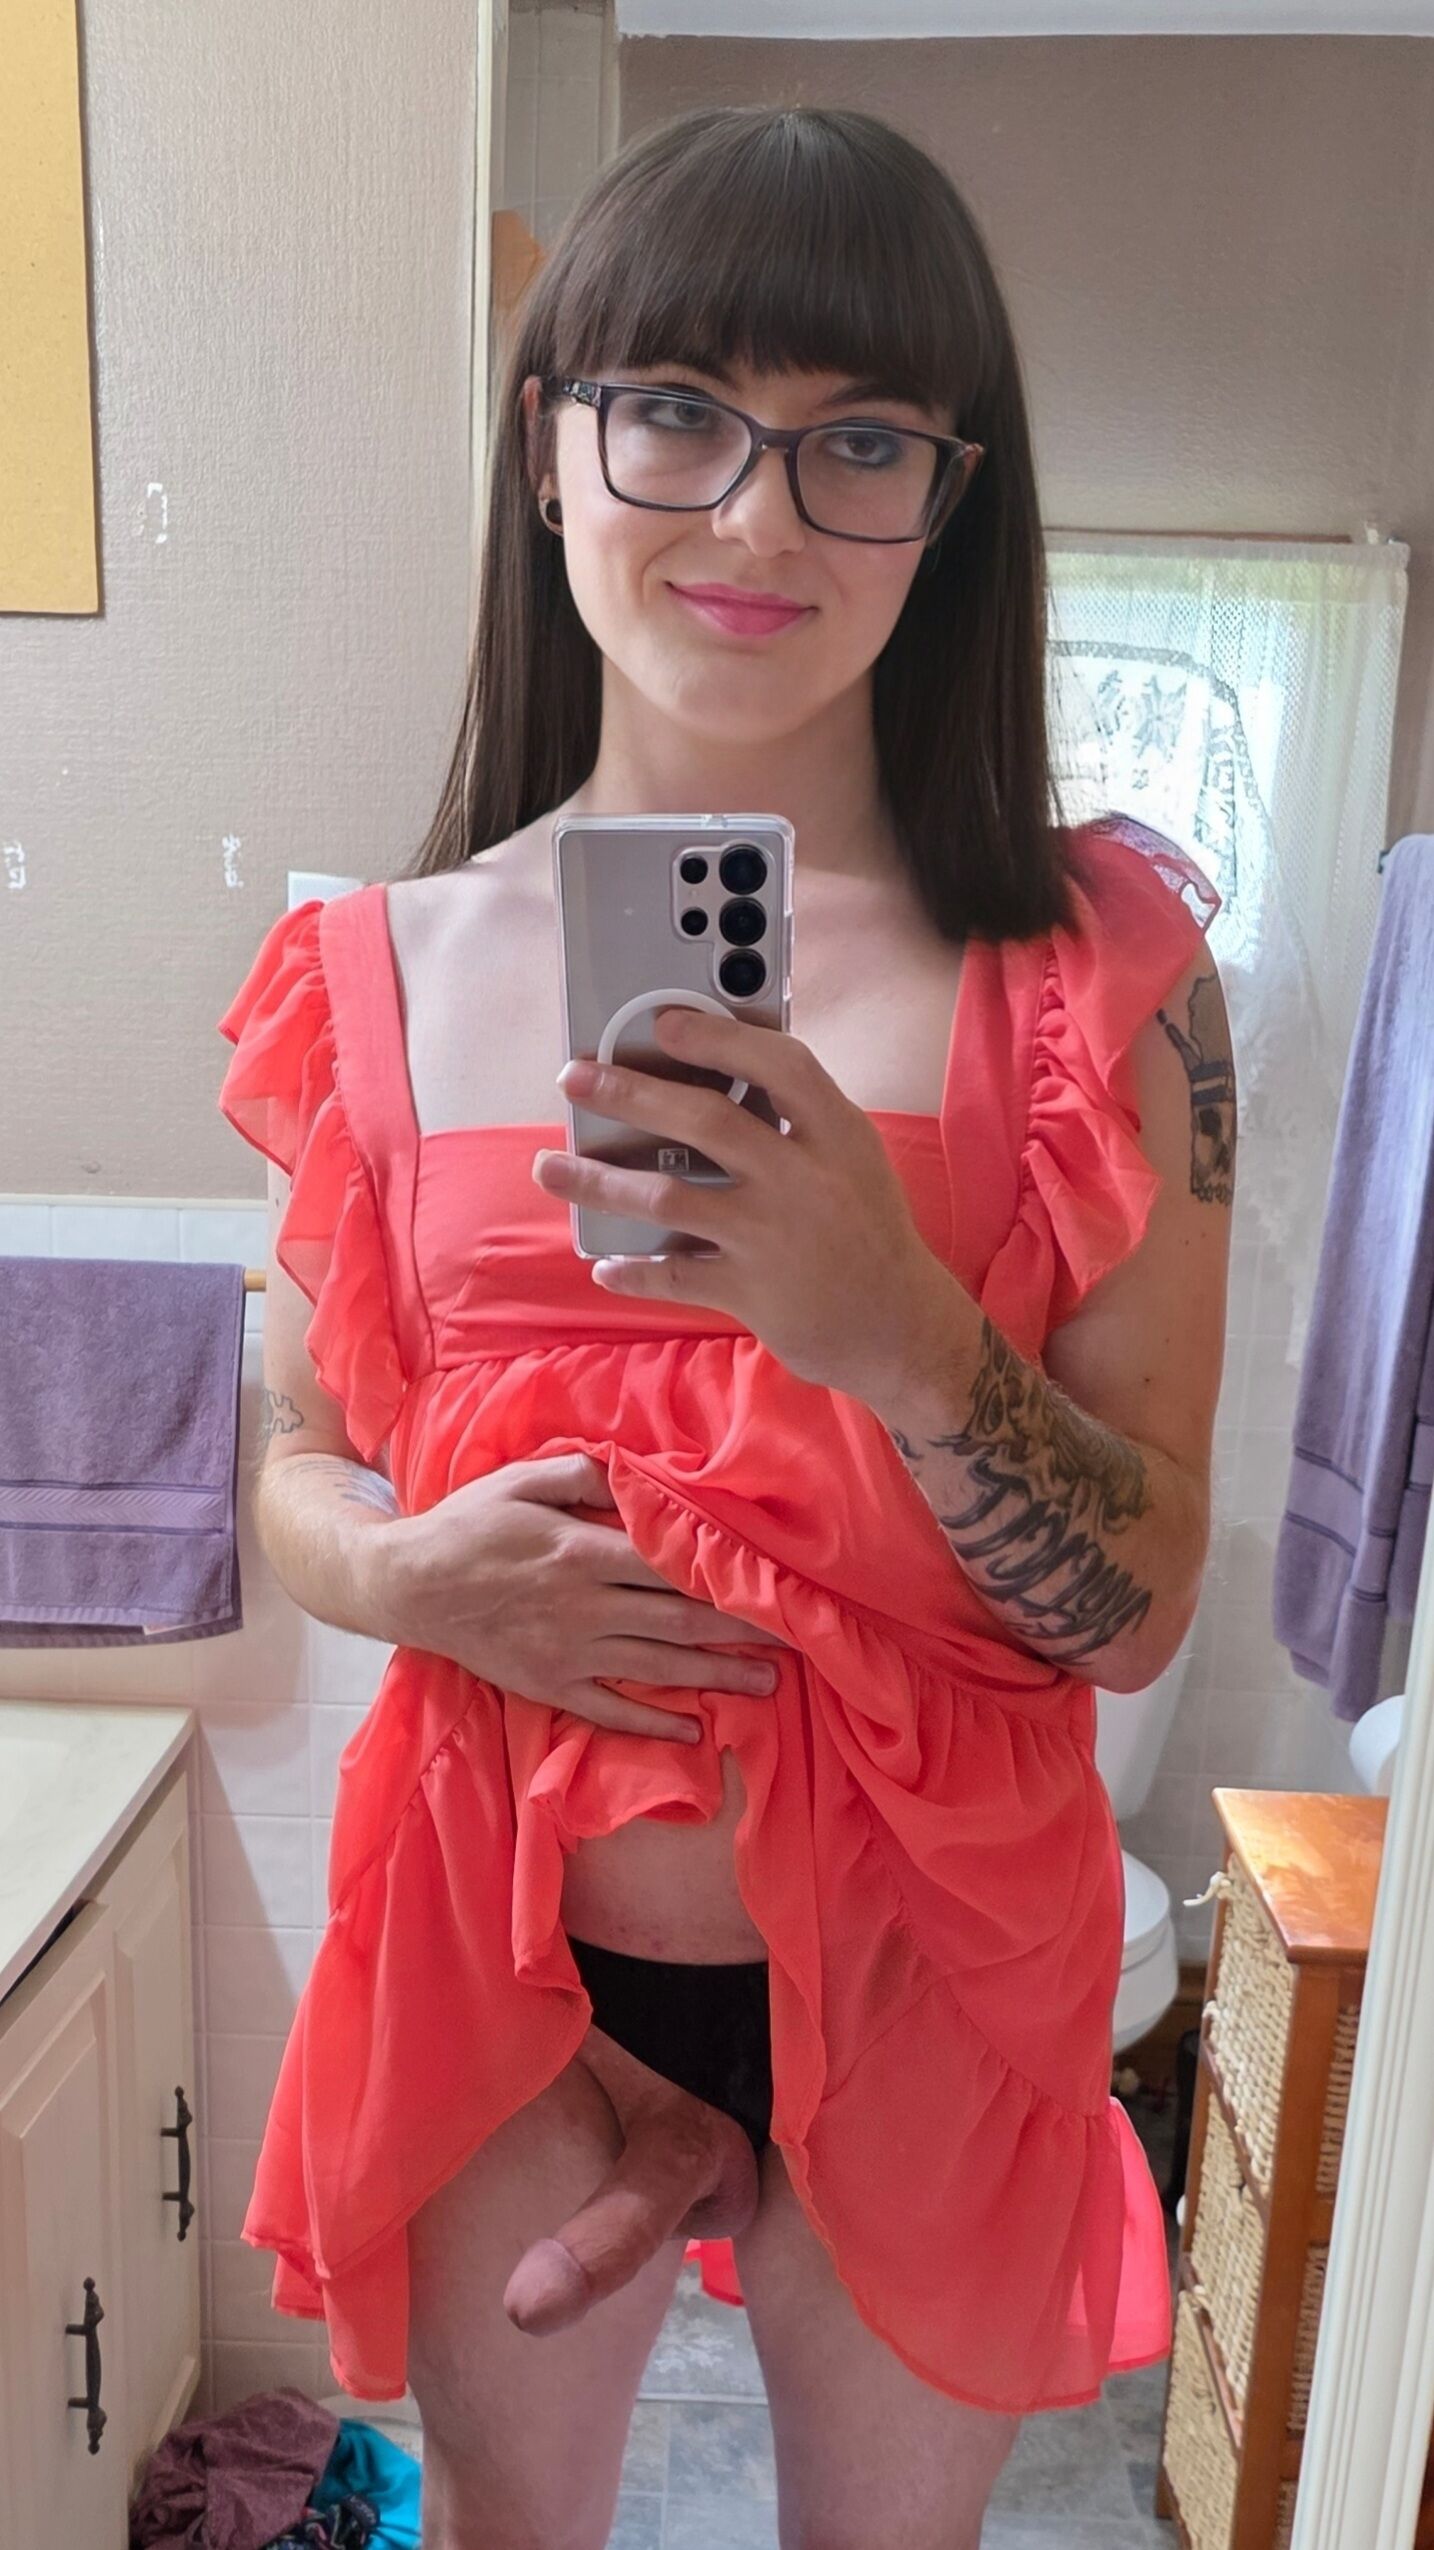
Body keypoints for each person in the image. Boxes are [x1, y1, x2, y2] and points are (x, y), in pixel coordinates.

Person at [215, 103, 1234, 2550]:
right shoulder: (371, 977)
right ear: (548, 448)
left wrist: (895, 1328)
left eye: (858, 440)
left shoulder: (1096, 977)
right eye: (676, 411)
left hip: (932, 1972)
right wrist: (404, 1574)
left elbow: (1141, 1599)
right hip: (507, 1959)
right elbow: (292, 1454)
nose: (758, 519)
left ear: (949, 500)